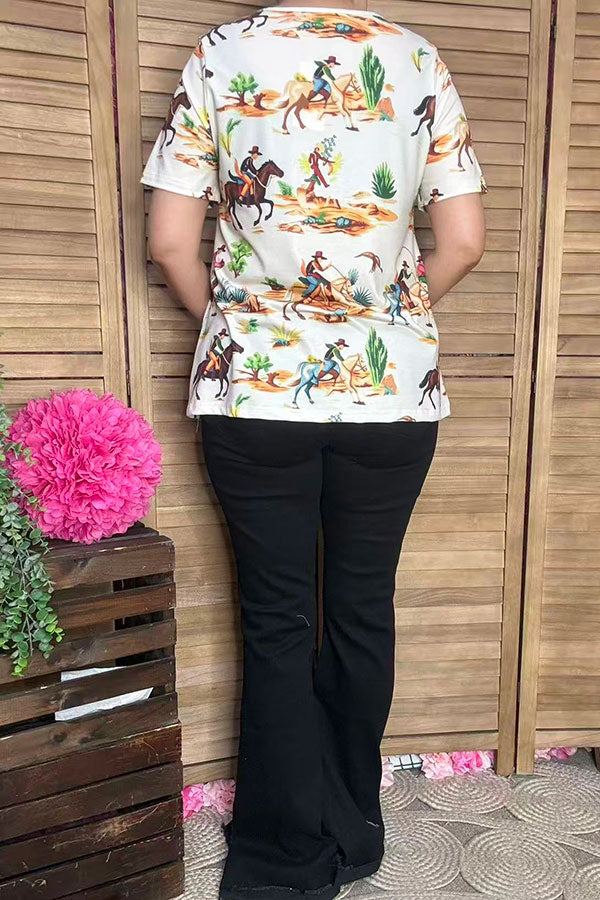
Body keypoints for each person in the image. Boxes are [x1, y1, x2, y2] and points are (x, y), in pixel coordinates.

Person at [140, 2, 486, 899]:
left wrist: (241, 329)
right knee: (363, 610)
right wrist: (388, 321)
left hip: (255, 395)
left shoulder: (222, 52)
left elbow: (170, 242)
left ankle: (283, 860)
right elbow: (464, 241)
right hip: (392, 395)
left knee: (277, 620)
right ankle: (355, 830)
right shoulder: (417, 58)